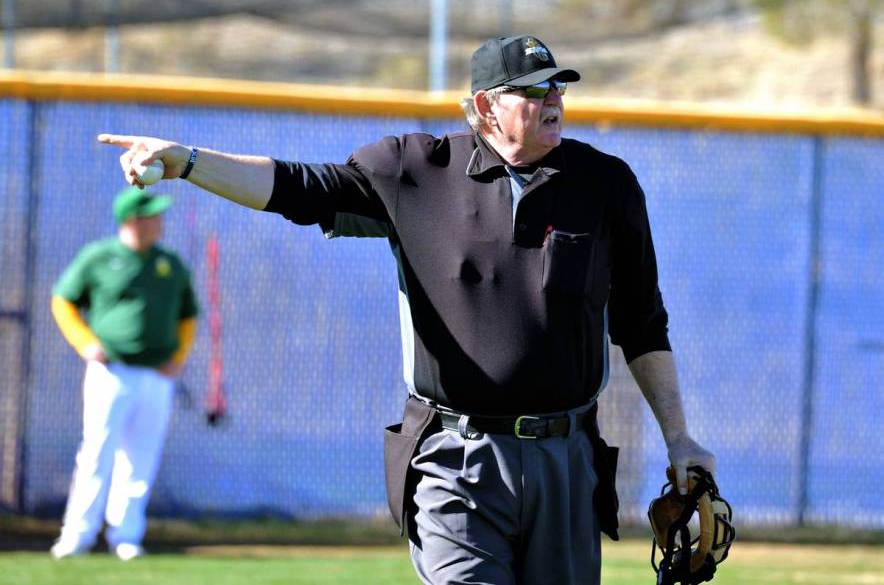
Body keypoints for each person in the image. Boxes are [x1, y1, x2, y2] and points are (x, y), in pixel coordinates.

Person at [99, 34, 715, 584]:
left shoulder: (605, 183)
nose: (553, 97)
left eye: (557, 85)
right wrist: (188, 163)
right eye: (532, 90)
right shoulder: (414, 170)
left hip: (566, 457)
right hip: (456, 456)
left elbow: (642, 323)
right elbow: (297, 188)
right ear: (484, 106)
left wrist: (680, 437)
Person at [49, 188, 199, 561]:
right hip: (111, 371)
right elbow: (62, 300)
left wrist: (178, 355)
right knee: (97, 453)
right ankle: (77, 536)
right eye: (152, 215)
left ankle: (127, 536)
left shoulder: (170, 263)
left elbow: (188, 315)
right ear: (132, 219)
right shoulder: (99, 257)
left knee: (141, 458)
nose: (160, 221)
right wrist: (84, 342)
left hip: (156, 376)